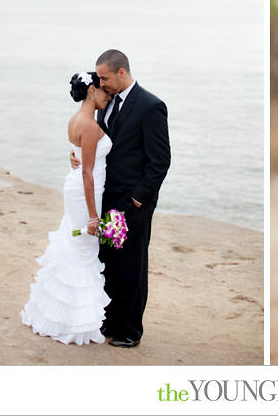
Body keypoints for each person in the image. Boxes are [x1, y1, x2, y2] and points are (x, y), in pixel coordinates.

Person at [72, 49, 171, 348]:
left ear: (121, 73)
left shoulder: (150, 106)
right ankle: (110, 322)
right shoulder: (107, 103)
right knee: (109, 261)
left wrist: (137, 203)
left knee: (131, 266)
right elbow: (100, 142)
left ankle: (130, 331)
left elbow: (160, 162)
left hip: (131, 204)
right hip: (106, 198)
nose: (100, 84)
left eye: (104, 77)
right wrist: (79, 156)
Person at [21, 71, 112, 345]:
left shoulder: (75, 120)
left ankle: (60, 315)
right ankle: (74, 322)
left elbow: (80, 156)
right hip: (86, 190)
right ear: (92, 91)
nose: (108, 95)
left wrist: (74, 158)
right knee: (83, 249)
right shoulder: (91, 127)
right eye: (104, 90)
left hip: (75, 186)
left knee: (72, 245)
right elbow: (87, 172)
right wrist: (94, 215)